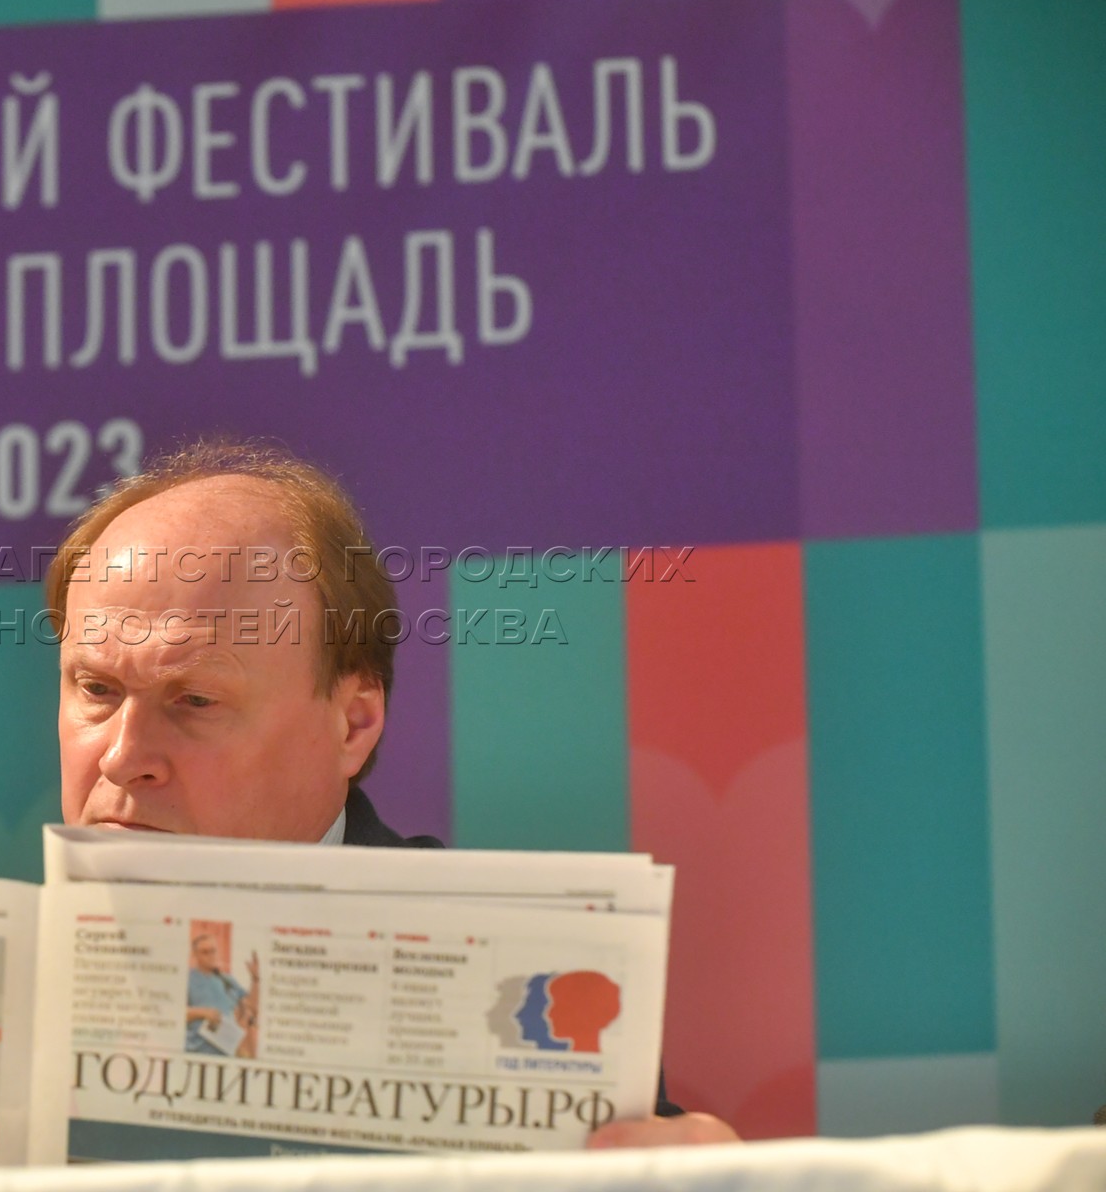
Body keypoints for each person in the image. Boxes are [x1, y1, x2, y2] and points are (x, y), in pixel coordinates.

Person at [47, 438, 738, 1149]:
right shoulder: (7, 970)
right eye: (96, 689)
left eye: (194, 700)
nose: (123, 759)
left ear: (352, 725)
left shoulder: (536, 978)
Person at [184, 930, 259, 1058]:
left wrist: (255, 978)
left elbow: (252, 1007)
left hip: (225, 1055)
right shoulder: (188, 979)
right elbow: (174, 1013)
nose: (210, 956)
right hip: (196, 1053)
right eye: (205, 952)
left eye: (213, 951)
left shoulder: (227, 979)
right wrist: (202, 1012)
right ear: (195, 955)